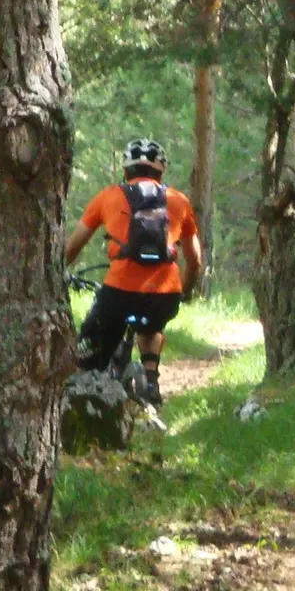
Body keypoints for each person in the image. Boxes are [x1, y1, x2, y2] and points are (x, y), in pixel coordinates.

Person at [65, 138, 203, 406]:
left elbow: (72, 247)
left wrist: (56, 273)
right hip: (165, 294)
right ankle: (151, 383)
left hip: (119, 292)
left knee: (89, 351)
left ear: (126, 171)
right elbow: (195, 260)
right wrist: (184, 289)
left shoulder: (108, 196)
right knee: (151, 326)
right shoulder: (179, 201)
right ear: (160, 172)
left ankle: (86, 396)